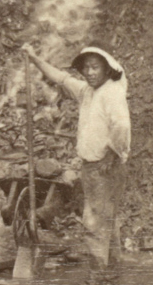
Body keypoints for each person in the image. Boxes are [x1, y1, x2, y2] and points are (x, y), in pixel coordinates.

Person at [23, 43, 130, 269]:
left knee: (93, 222)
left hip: (104, 166)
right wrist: (34, 59)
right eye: (86, 68)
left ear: (108, 68)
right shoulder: (88, 91)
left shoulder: (111, 93)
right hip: (94, 167)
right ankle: (113, 271)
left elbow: (121, 125)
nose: (90, 72)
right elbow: (61, 78)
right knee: (107, 219)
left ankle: (96, 277)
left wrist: (113, 154)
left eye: (95, 67)